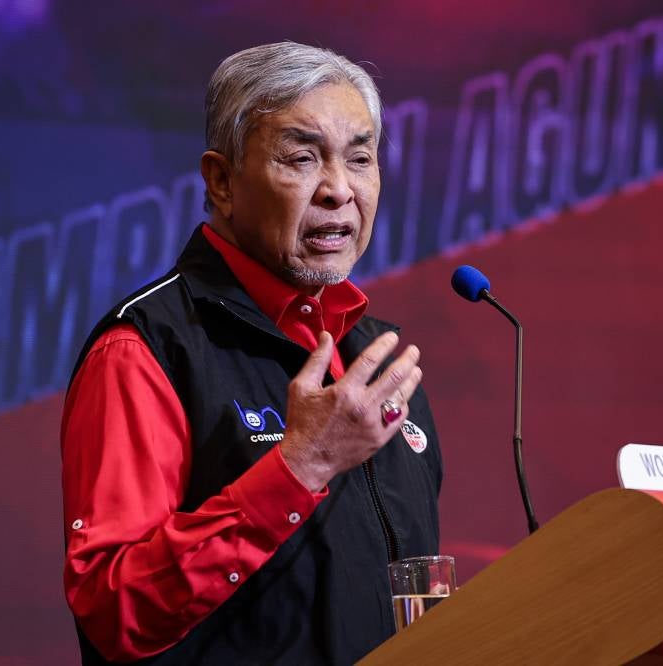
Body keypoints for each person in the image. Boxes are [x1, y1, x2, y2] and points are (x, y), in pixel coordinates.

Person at [61, 42, 443, 665]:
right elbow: (114, 610)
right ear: (221, 181)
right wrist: (300, 466)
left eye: (360, 158)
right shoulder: (145, 348)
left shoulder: (376, 360)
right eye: (301, 158)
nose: (339, 190)